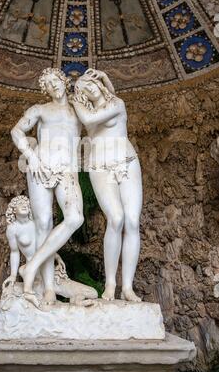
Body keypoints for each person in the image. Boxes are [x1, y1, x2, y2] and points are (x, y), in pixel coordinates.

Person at [11, 68, 84, 307]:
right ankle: (50, 288)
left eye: (56, 81)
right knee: (43, 223)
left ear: (64, 81)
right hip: (40, 166)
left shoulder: (79, 109)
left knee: (74, 218)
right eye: (48, 85)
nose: (54, 86)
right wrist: (30, 156)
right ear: (45, 90)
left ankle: (30, 267)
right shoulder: (40, 109)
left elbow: (104, 108)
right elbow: (17, 130)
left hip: (67, 170)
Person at [71, 68, 142, 302]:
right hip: (100, 165)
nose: (88, 87)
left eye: (90, 82)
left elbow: (95, 114)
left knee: (132, 222)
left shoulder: (118, 103)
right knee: (116, 219)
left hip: (126, 161)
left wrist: (105, 80)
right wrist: (77, 92)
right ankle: (110, 284)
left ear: (99, 84)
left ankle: (127, 287)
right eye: (83, 87)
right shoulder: (84, 110)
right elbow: (88, 119)